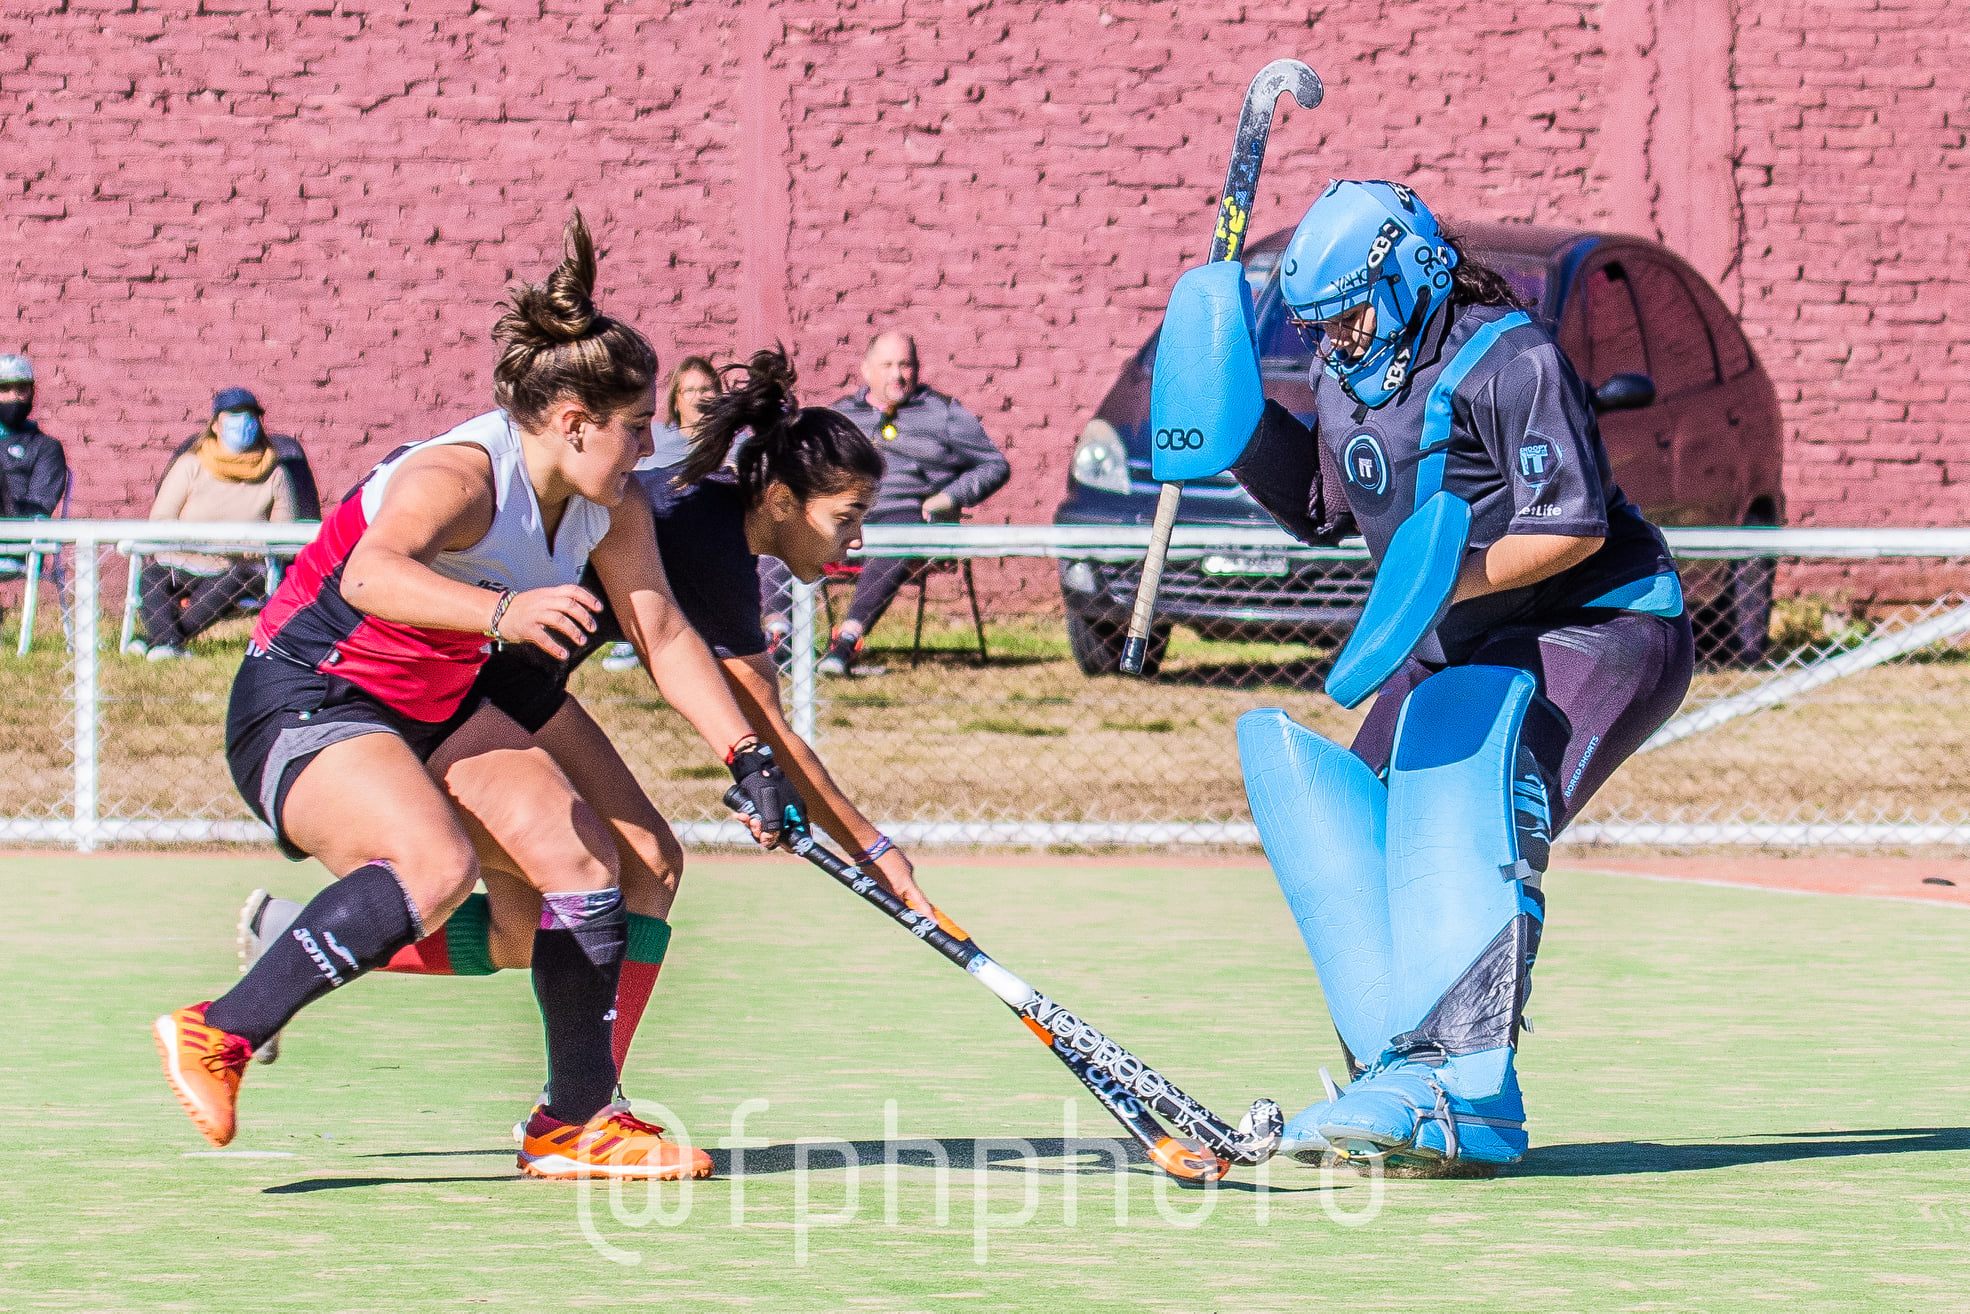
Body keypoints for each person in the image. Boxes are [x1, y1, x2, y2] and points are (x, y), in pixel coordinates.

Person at [154, 212, 804, 1182]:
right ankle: (220, 1028)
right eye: (634, 431)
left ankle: (572, 1124)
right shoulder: (460, 476)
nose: (647, 451)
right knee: (434, 864)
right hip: (311, 696)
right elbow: (372, 577)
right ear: (574, 422)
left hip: (434, 703)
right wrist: (500, 613)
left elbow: (662, 633)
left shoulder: (606, 504)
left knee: (586, 857)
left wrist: (744, 757)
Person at [238, 347, 932, 1089]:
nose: (856, 541)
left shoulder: (692, 514)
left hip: (518, 680)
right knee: (635, 871)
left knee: (524, 929)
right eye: (848, 518)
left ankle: (289, 941)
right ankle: (590, 1103)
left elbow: (744, 721)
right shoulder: (699, 531)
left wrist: (756, 765)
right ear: (785, 502)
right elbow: (764, 719)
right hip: (483, 679)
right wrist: (871, 848)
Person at [1200, 181, 1692, 1169]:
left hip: (1594, 622)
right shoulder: (1345, 373)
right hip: (1451, 634)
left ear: (1411, 270)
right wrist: (1231, 420)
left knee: (1465, 807)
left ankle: (1471, 1094)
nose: (1336, 339)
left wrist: (1446, 586)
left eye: (1350, 310)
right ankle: (1396, 1077)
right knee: (1355, 836)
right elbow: (1320, 503)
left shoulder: (1510, 357)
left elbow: (1570, 527)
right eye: (1317, 323)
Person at [812, 331, 1009, 676]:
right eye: (887, 365)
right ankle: (776, 640)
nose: (897, 374)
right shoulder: (840, 416)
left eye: (906, 365)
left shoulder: (943, 413)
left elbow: (994, 465)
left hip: (907, 515)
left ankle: (846, 641)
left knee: (896, 540)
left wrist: (950, 496)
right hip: (846, 517)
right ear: (865, 370)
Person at [133, 388, 300, 660]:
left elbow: (286, 539)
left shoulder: (276, 474)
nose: (242, 423)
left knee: (239, 576)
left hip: (238, 568)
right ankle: (166, 643)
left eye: (249, 417)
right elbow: (161, 521)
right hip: (183, 563)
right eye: (233, 416)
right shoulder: (190, 465)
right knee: (152, 577)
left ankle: (160, 642)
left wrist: (254, 547)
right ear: (215, 425)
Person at [600, 356, 722, 672]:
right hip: (656, 524)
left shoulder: (731, 444)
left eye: (708, 389)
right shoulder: (658, 439)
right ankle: (634, 634)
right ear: (677, 400)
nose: (700, 396)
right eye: (691, 390)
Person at [0, 353, 71, 634]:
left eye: (22, 389)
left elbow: (39, 508)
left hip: (16, 542)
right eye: (4, 390)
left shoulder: (46, 447)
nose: (14, 398)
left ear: (32, 392)